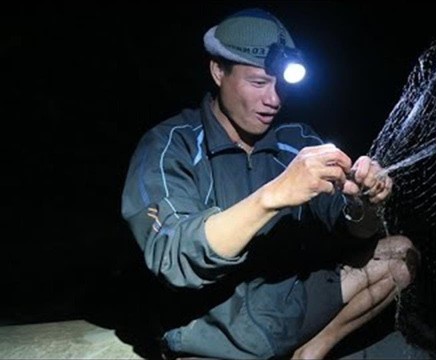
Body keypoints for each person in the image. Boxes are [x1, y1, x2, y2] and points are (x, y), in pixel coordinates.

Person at [121, 8, 420, 359]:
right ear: (218, 71)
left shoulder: (297, 139)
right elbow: (173, 257)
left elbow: (352, 229)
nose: (274, 100)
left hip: (289, 308)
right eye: (259, 83)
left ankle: (313, 350)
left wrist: (363, 203)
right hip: (211, 333)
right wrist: (274, 195)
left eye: (281, 85)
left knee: (401, 253)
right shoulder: (170, 144)